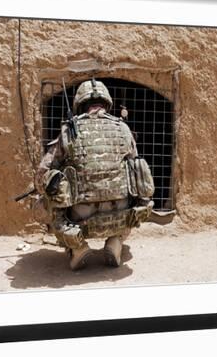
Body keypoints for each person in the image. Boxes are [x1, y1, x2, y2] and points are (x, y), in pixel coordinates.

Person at [36, 79, 155, 270]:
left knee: (49, 188)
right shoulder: (123, 128)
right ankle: (115, 241)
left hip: (80, 217)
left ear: (80, 104)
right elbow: (137, 168)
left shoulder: (69, 130)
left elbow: (43, 172)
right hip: (121, 213)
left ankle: (78, 247)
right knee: (134, 173)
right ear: (107, 103)